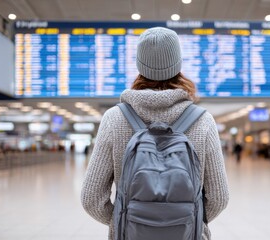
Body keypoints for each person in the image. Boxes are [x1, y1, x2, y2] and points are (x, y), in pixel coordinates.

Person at [81, 27, 229, 240]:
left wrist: (125, 221)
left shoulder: (114, 118)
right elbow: (219, 198)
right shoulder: (203, 120)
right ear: (178, 64)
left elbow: (91, 198)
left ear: (140, 65)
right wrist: (187, 221)